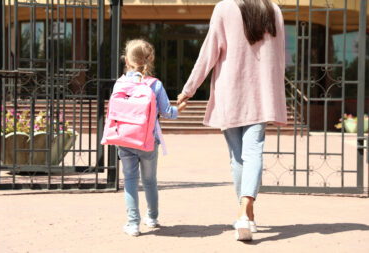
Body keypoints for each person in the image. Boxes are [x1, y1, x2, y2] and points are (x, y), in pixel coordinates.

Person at [177, 0, 287, 241]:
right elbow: (279, 58)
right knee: (252, 152)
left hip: (231, 94)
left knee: (239, 157)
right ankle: (248, 213)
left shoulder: (225, 8)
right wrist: (276, 94)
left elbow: (209, 52)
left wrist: (188, 89)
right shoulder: (274, 10)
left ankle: (243, 213)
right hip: (262, 95)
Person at [117, 39, 187, 237]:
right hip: (148, 139)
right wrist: (179, 109)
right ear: (150, 60)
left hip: (125, 139)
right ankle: (152, 217)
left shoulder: (120, 83)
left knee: (130, 179)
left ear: (128, 61)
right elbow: (166, 112)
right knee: (150, 180)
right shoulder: (155, 85)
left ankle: (133, 224)